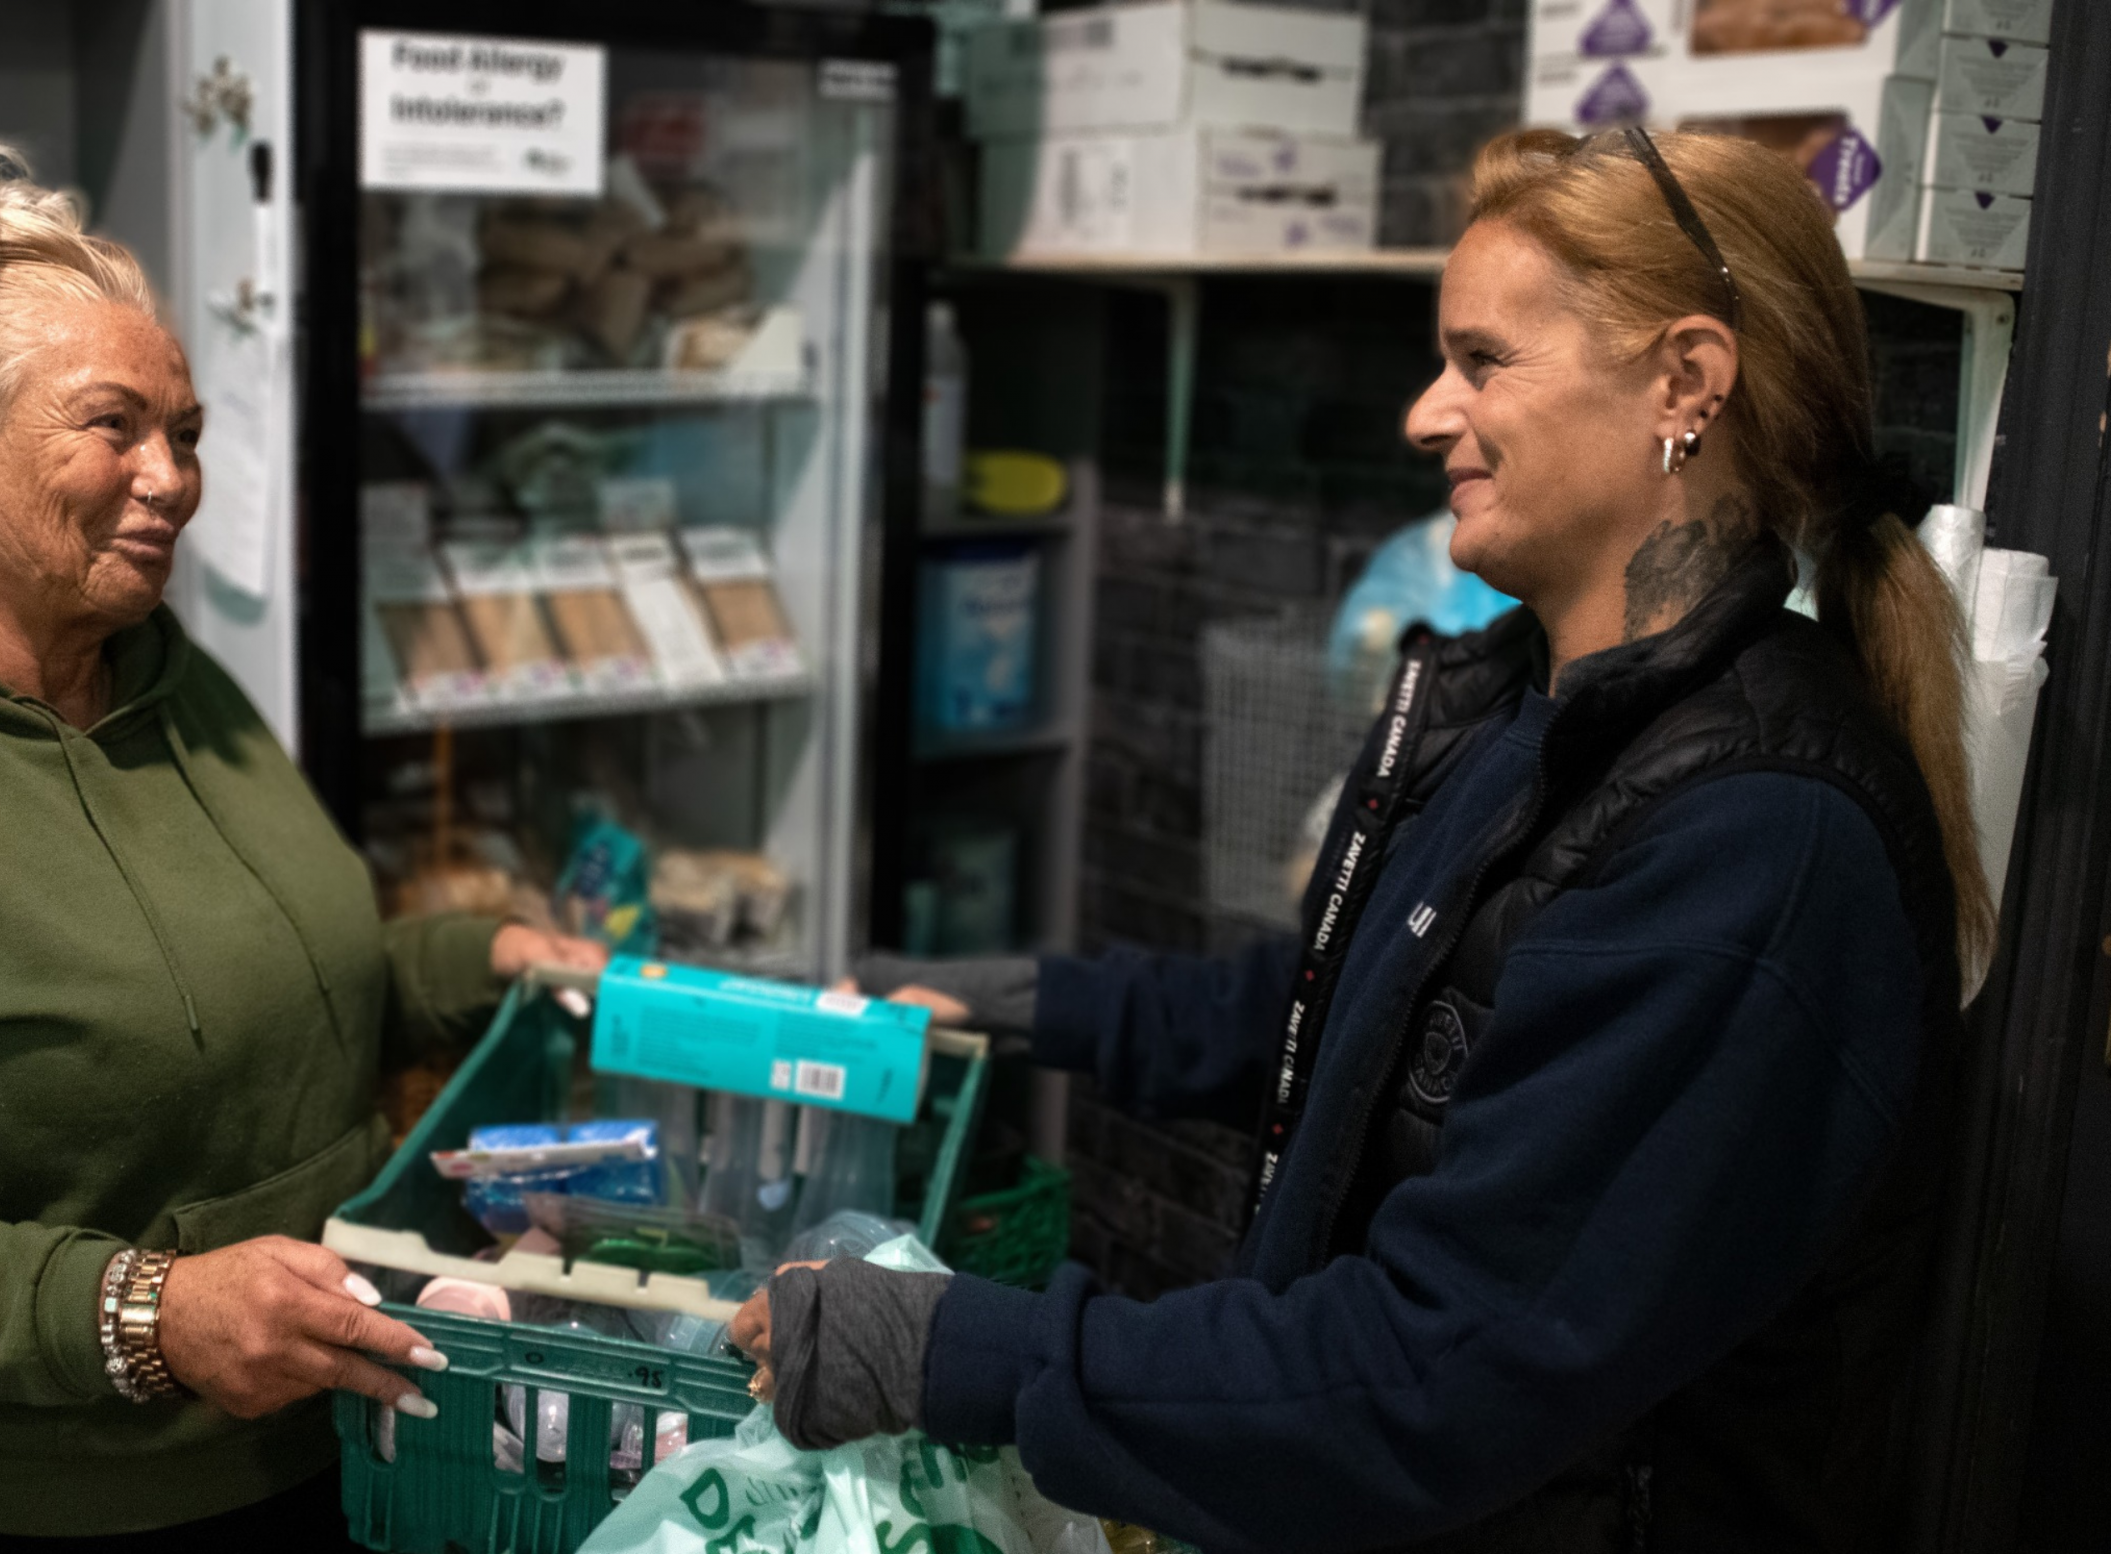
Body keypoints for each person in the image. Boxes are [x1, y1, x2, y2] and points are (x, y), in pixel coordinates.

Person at [731, 126, 1990, 1554]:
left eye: (1484, 360)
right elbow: (1371, 1007)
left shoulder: (1755, 844)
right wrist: (1028, 1003)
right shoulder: (1542, 709)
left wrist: (961, 1350)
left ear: (1684, 384)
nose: (1425, 413)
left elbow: (1427, 1377)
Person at [0, 140, 605, 1549]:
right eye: (115, 425)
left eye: (189, 433)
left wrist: (481, 957)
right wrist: (156, 1310)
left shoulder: (173, 685)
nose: (171, 479)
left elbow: (277, 981)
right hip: (34, 1507)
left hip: (309, 1433)